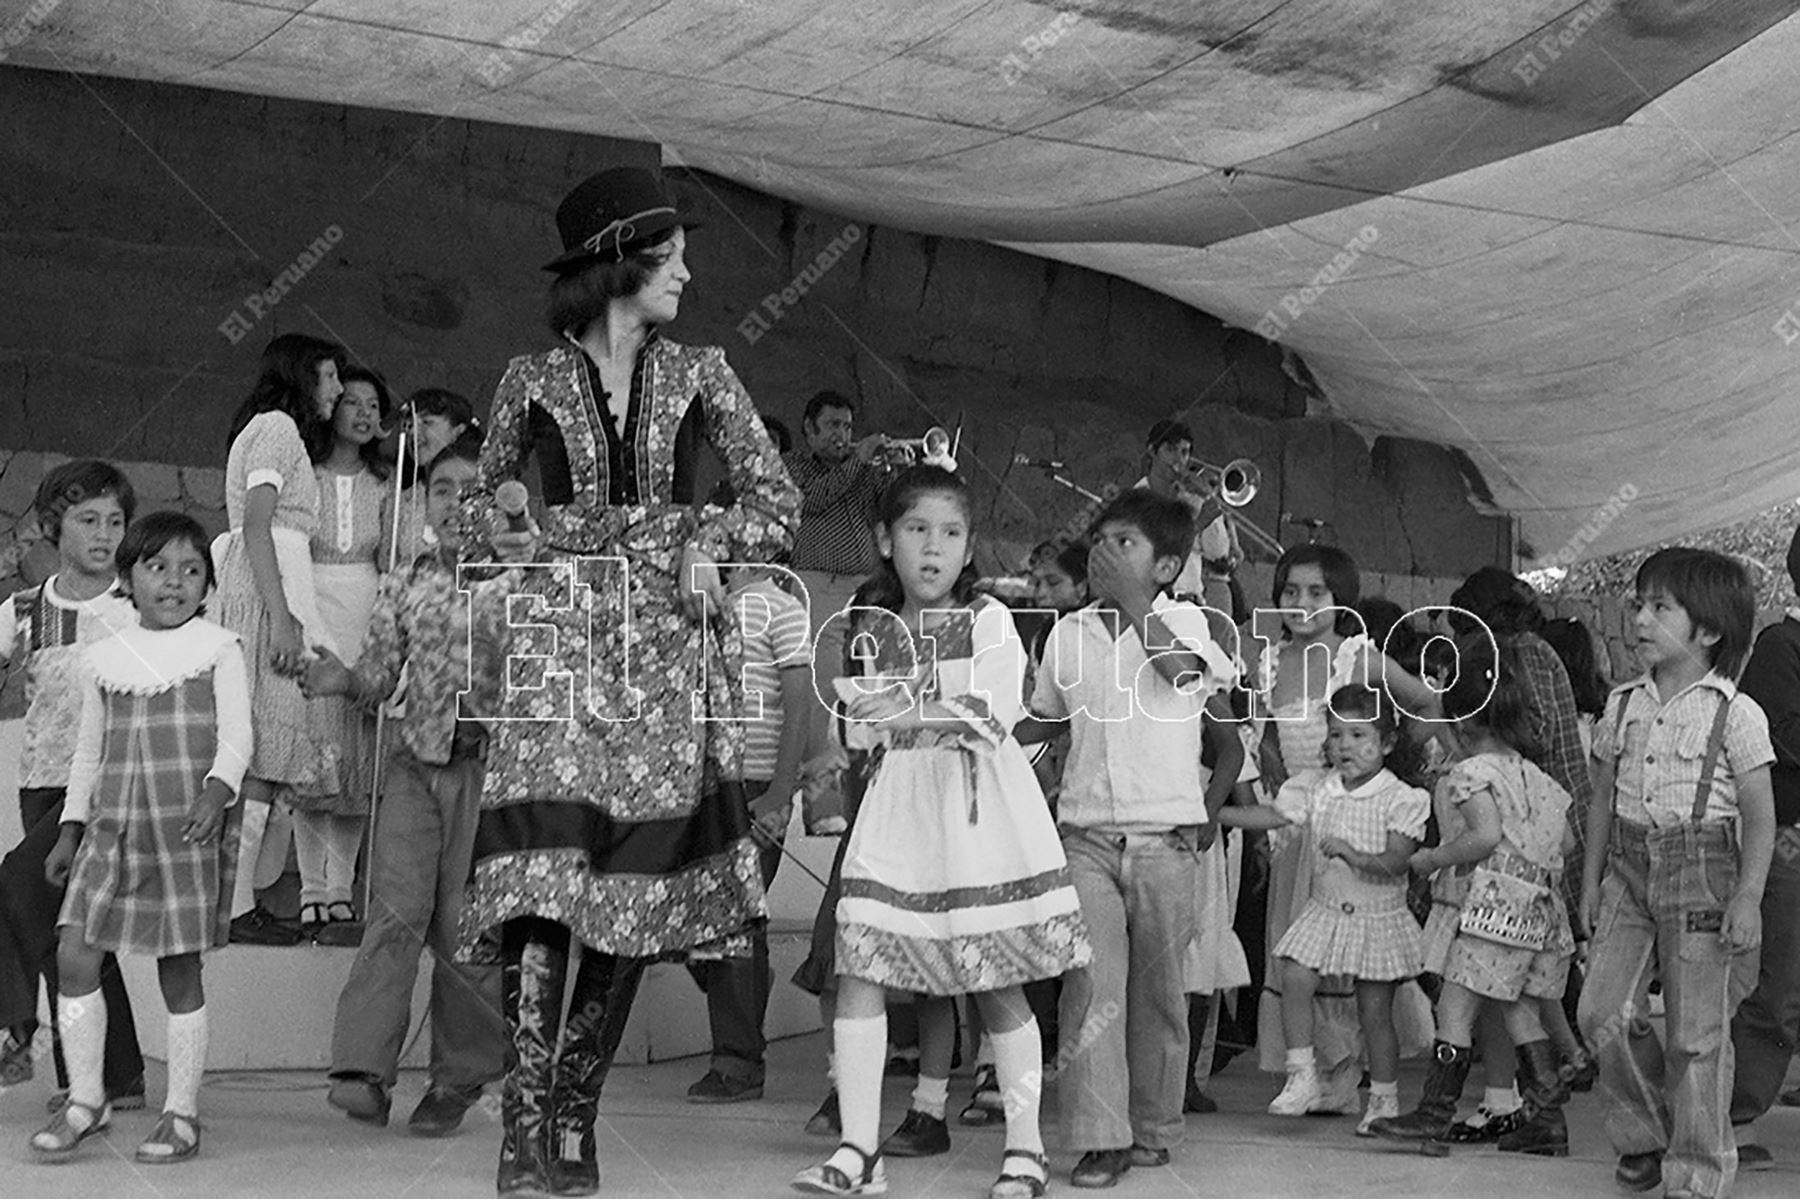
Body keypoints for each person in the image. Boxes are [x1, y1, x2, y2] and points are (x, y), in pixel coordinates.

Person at [456, 165, 800, 1197]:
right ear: (620, 258)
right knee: (542, 876)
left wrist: (706, 538)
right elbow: (473, 518)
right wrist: (511, 525)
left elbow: (776, 500)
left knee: (627, 891)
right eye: (673, 253)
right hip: (560, 640)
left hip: (661, 646)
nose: (688, 271)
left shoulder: (705, 371)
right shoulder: (526, 378)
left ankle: (573, 1113)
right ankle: (522, 1123)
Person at [793, 465, 1089, 1199]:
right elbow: (861, 722)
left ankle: (1025, 1146)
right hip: (898, 811)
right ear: (886, 540)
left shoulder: (988, 617)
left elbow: (990, 713)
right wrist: (843, 742)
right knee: (861, 964)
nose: (933, 548)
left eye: (950, 533)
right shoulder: (876, 623)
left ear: (968, 547)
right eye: (917, 530)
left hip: (976, 812)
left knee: (993, 981)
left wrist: (898, 713)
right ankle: (860, 1150)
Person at [1027, 488, 1240, 1190]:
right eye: (1100, 540)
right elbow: (1046, 722)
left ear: (1168, 564)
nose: (1103, 552)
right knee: (1089, 985)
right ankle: (1099, 1136)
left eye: (1125, 543)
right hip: (1084, 836)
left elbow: (1183, 678)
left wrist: (1136, 606)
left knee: (1157, 995)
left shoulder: (1191, 623)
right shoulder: (1067, 634)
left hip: (1165, 840)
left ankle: (1152, 1126)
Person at [301, 430, 509, 1136]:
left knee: (467, 929)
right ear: (422, 499)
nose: (455, 503)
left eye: (471, 490)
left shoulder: (527, 577)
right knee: (393, 915)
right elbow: (379, 678)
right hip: (413, 770)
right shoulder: (403, 580)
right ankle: (362, 1069)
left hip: (490, 774)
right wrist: (343, 679)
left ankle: (459, 1078)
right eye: (442, 488)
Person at [30, 512, 252, 1164]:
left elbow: (238, 736)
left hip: (182, 830)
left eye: (191, 570)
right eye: (159, 567)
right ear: (129, 578)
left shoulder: (219, 647)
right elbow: (88, 756)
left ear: (207, 585)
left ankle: (181, 1113)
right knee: (75, 953)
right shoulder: (103, 660)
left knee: (178, 968)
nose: (176, 581)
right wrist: (70, 830)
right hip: (111, 830)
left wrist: (217, 789)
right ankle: (86, 1099)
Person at [1579, 547, 1774, 1199]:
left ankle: (1697, 1169)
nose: (1639, 617)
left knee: (1697, 1034)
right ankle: (1647, 1133)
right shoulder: (1621, 705)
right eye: (1640, 603)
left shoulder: (1736, 714)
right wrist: (1588, 883)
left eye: (1660, 606)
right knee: (1601, 1009)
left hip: (1704, 872)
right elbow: (1602, 796)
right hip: (1628, 872)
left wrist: (1747, 897)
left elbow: (1760, 818)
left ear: (1709, 629)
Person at [1245, 543, 1438, 1114]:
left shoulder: (1358, 656)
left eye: (1316, 593)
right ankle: (1313, 1071)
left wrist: (1393, 773)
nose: (1301, 603)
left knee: (1353, 953)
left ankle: (1352, 1072)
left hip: (1359, 822)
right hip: (1300, 824)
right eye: (1289, 593)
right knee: (1300, 953)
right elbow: (1267, 745)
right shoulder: (1268, 662)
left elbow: (1426, 704)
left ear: (1340, 600)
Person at [1368, 640, 1577, 1155]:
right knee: (1520, 1010)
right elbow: (1568, 843)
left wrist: (1434, 859)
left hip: (1490, 913)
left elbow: (1482, 836)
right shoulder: (1536, 777)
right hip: (1537, 915)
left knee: (1455, 1011)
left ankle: (1433, 1117)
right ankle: (1546, 1121)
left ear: (1462, 724)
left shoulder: (1470, 773)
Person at [0, 462, 145, 1107]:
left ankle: (16, 1030)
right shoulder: (27, 609)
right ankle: (118, 1078)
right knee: (74, 934)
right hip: (40, 785)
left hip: (109, 787)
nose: (105, 535)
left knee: (16, 886)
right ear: (55, 525)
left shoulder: (138, 604)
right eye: (89, 520)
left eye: (116, 522)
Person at [1226, 685, 1429, 1134]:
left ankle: (1384, 1097)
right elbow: (1275, 816)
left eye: (1359, 735)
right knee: (1295, 971)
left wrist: (1353, 854)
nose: (1344, 746)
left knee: (1375, 1011)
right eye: (1336, 735)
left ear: (1388, 743)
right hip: (1326, 910)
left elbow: (1398, 860)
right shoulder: (1317, 788)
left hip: (1376, 915)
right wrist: (1218, 815)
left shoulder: (1401, 798)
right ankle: (1302, 1074)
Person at [216, 332, 343, 947]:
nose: (338, 390)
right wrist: (281, 617)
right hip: (266, 594)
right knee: (260, 753)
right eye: (328, 377)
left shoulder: (280, 434)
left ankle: (240, 900)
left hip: (279, 588)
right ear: (300, 378)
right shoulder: (275, 429)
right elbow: (258, 526)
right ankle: (235, 906)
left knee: (267, 756)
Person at [685, 558, 812, 1105]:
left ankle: (737, 1062)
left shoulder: (783, 610)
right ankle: (742, 1009)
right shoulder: (696, 608)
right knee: (707, 920)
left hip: (756, 785)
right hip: (700, 783)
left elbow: (801, 706)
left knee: (735, 917)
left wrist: (782, 794)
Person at [293, 362, 392, 944]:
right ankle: (310, 889)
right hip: (314, 605)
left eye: (372, 406)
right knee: (315, 753)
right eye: (351, 401)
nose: (361, 412)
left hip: (366, 609)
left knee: (357, 756)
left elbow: (393, 560)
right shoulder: (303, 476)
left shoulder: (387, 487)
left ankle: (339, 889)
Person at [1728, 524, 1800, 1167]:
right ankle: (1736, 1118)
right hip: (1787, 843)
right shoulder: (1782, 647)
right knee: (1774, 989)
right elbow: (1784, 742)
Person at [784, 390, 891, 822]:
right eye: (831, 426)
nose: (842, 435)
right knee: (822, 695)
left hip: (865, 589)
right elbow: (812, 500)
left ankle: (873, 804)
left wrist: (898, 474)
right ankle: (823, 806)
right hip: (816, 586)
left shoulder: (862, 471)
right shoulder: (792, 466)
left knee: (874, 690)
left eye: (847, 426)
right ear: (808, 430)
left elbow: (886, 512)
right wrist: (859, 462)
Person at [1134, 419, 1238, 621]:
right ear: (1152, 451)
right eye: (1171, 450)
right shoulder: (1138, 497)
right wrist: (1199, 522)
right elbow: (1160, 546)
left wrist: (1208, 501)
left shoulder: (1191, 498)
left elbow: (1216, 552)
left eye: (1185, 452)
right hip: (1155, 604)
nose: (1179, 459)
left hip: (1193, 603)